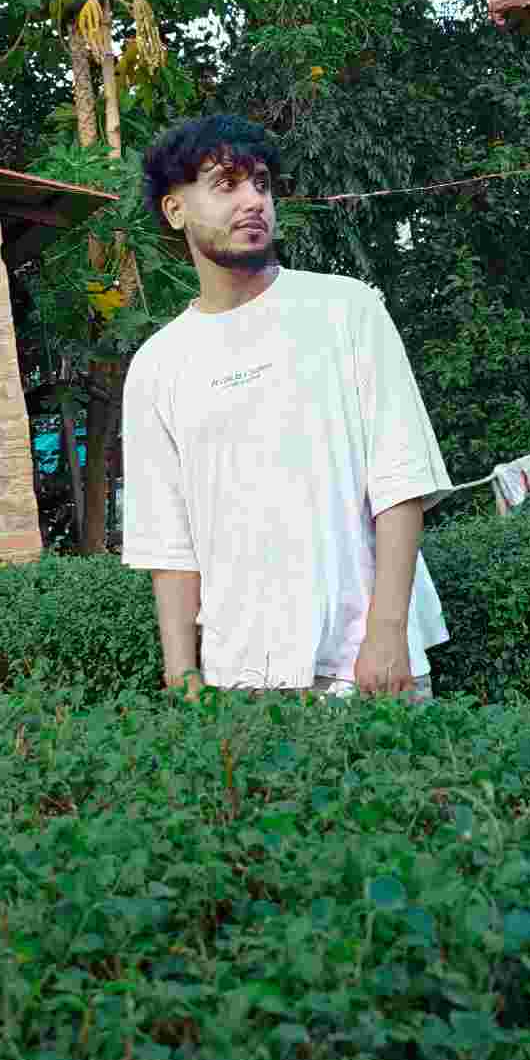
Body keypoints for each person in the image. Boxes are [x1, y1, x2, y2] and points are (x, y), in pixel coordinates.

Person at [121, 114, 452, 702]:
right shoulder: (157, 366)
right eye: (227, 185)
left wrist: (386, 633)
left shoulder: (345, 309)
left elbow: (400, 483)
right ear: (175, 210)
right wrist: (183, 676)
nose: (253, 201)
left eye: (262, 184)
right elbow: (168, 541)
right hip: (239, 678)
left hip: (368, 667)